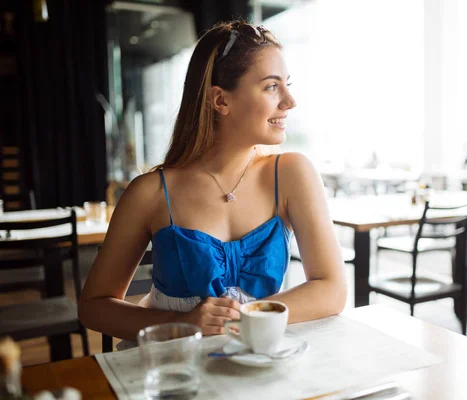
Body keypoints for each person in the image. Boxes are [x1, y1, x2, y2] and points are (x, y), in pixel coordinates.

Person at [79, 21, 347, 342]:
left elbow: (332, 289)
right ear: (221, 101)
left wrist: (245, 318)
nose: (289, 101)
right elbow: (93, 307)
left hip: (258, 360)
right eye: (272, 86)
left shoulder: (292, 173)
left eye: (286, 84)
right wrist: (185, 323)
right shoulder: (149, 192)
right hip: (176, 366)